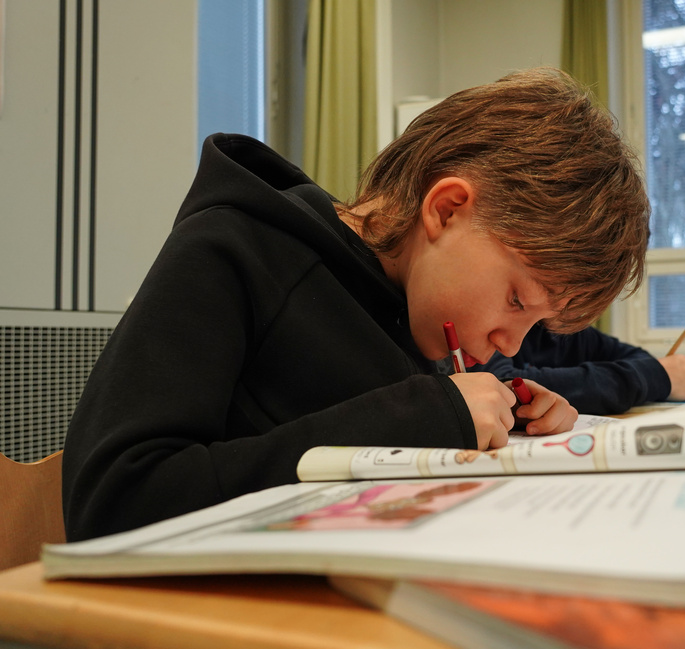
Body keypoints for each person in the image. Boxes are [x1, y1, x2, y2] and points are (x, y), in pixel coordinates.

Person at [60, 68, 651, 542]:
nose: (511, 342)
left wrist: (510, 411)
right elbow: (115, 503)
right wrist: (425, 420)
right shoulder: (235, 249)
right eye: (516, 299)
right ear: (446, 210)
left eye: (536, 322)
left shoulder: (414, 312)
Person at [474, 324, 685, 415]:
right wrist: (653, 376)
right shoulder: (500, 326)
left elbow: (639, 359)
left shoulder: (569, 330)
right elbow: (499, 383)